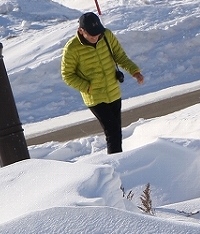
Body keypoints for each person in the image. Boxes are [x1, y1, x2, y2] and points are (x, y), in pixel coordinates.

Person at [61, 12, 144, 154]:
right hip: (95, 97)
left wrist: (134, 71)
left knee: (116, 131)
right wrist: (87, 87)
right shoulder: (72, 48)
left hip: (113, 92)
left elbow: (120, 56)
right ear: (81, 31)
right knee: (112, 132)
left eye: (98, 33)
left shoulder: (106, 35)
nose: (96, 37)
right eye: (92, 34)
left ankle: (118, 160)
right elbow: (67, 75)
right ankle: (117, 163)